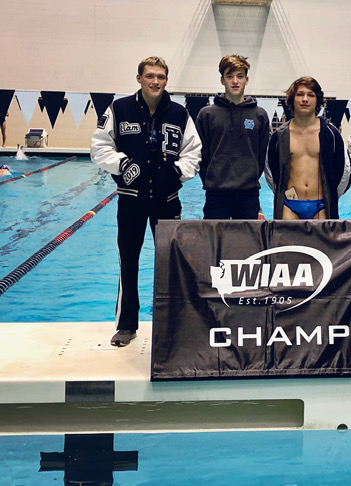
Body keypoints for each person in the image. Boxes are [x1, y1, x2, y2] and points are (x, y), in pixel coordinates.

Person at [91, 56, 201, 347]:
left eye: (161, 77)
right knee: (128, 262)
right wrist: (122, 163)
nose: (155, 81)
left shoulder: (180, 113)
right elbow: (99, 146)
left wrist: (178, 171)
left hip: (167, 201)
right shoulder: (119, 108)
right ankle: (127, 325)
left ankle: (175, 323)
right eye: (150, 76)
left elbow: (194, 151)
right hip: (131, 201)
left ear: (167, 80)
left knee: (172, 264)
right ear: (139, 78)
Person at [265, 76, 351, 219]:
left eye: (310, 95)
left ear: (317, 100)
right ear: (292, 99)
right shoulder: (279, 136)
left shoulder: (331, 134)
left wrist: (331, 196)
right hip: (289, 205)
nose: (305, 99)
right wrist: (282, 195)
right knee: (287, 242)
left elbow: (344, 171)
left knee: (322, 242)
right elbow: (270, 172)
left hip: (322, 205)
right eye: (300, 94)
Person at [196, 54, 270, 219]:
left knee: (247, 245)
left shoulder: (260, 115)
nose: (235, 81)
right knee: (215, 244)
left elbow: (262, 156)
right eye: (229, 76)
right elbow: (201, 155)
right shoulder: (207, 115)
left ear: (246, 80)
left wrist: (248, 177)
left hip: (248, 195)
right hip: (216, 195)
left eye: (240, 76)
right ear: (222, 80)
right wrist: (212, 180)